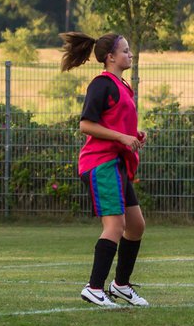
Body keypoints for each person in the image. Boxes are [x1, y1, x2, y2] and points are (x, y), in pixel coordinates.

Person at [60, 32, 150, 309]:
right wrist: (122, 138)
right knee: (115, 226)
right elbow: (86, 125)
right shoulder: (101, 84)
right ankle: (94, 287)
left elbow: (114, 122)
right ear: (110, 57)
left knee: (136, 226)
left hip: (116, 163)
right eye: (125, 51)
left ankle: (120, 285)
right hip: (101, 163)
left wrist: (133, 134)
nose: (130, 54)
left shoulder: (120, 85)